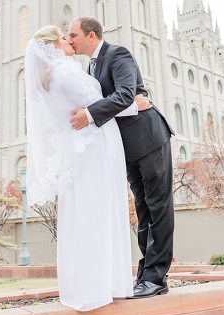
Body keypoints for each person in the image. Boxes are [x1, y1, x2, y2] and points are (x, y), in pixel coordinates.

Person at [25, 25, 139, 311]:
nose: (69, 41)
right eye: (64, 38)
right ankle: (102, 286)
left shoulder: (51, 78)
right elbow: (96, 105)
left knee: (87, 210)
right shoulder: (66, 72)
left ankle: (92, 284)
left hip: (83, 143)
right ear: (53, 46)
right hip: (94, 143)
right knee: (99, 209)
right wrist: (135, 104)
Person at [67, 17, 175, 298]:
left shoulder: (117, 54)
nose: (70, 40)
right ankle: (146, 274)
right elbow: (127, 101)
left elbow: (126, 94)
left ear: (91, 35)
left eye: (73, 34)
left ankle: (156, 277)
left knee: (158, 207)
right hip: (127, 149)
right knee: (143, 210)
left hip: (149, 139)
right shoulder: (90, 67)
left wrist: (89, 115)